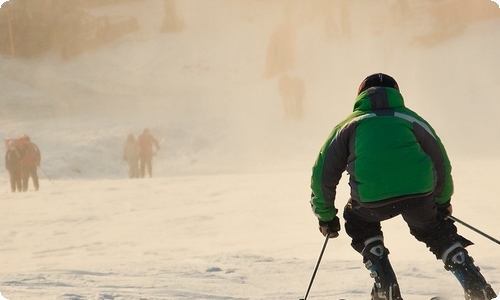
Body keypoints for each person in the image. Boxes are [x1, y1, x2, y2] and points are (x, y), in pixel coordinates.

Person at [309, 73, 496, 300]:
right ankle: (471, 278)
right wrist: (442, 202)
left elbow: (323, 174)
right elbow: (441, 163)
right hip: (419, 193)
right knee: (434, 230)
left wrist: (326, 216)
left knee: (358, 221)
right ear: (396, 93)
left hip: (370, 199)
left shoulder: (348, 125)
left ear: (360, 95)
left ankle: (384, 282)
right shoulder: (412, 119)